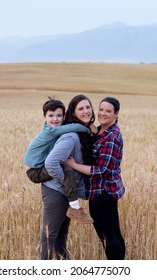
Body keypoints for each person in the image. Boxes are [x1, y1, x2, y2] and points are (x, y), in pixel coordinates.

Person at [66, 96, 126, 260]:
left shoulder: (111, 137)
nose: (103, 113)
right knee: (113, 234)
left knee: (108, 237)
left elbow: (101, 170)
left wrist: (74, 165)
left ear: (116, 114)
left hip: (103, 193)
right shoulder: (101, 130)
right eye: (100, 109)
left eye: (108, 111)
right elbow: (92, 131)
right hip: (101, 192)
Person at [40, 94, 96, 259]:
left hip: (64, 191)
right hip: (56, 191)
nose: (86, 111)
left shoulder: (81, 133)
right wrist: (66, 182)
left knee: (60, 237)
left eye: (88, 107)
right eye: (81, 108)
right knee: (50, 236)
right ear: (72, 113)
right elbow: (51, 163)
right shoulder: (71, 136)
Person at [23, 97, 93, 224]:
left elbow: (68, 127)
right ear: (44, 117)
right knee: (67, 170)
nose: (55, 119)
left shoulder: (56, 129)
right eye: (51, 115)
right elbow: (74, 127)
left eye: (59, 115)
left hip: (38, 167)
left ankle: (74, 205)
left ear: (63, 117)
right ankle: (75, 208)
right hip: (34, 171)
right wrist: (88, 129)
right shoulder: (51, 130)